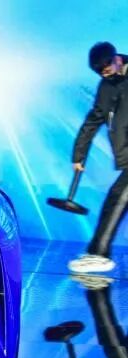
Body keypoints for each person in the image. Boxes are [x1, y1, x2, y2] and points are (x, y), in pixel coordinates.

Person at [68, 42, 128, 274]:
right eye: (100, 72)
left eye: (107, 67)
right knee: (115, 198)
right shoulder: (106, 86)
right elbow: (94, 120)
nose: (105, 73)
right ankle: (97, 253)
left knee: (118, 197)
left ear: (117, 58)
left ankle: (99, 254)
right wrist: (79, 155)